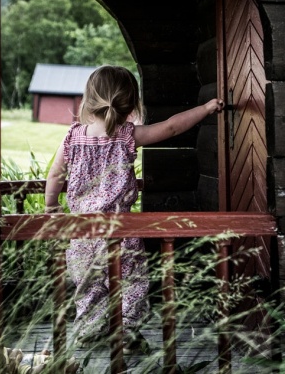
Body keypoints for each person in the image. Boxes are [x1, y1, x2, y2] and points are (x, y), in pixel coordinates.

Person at [45, 64, 224, 354]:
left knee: (88, 286)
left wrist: (51, 209)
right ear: (130, 102)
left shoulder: (72, 136)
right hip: (121, 230)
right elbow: (172, 126)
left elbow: (55, 176)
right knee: (131, 283)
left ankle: (90, 332)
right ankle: (127, 333)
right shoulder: (127, 135)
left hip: (82, 233)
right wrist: (204, 108)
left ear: (89, 99)